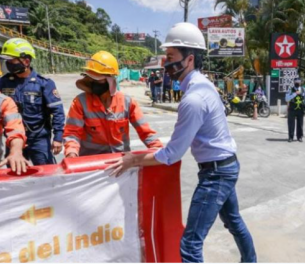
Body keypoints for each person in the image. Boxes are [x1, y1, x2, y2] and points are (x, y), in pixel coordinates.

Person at [107, 22, 256, 263]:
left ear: (189, 59)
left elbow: (172, 154)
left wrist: (133, 159)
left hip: (216, 173)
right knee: (233, 221)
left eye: (171, 57)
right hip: (226, 166)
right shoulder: (203, 85)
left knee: (190, 244)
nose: (166, 63)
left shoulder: (194, 99)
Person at [63, 51, 163, 158]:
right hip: (91, 163)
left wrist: (160, 152)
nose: (93, 83)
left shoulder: (127, 102)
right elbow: (72, 133)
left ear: (110, 80)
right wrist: (71, 154)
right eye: (91, 79)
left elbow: (146, 132)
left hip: (121, 162)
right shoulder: (80, 102)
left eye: (98, 80)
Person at [0, 38, 65, 165]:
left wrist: (58, 137)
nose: (8, 64)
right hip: (14, 139)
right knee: (15, 173)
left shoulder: (44, 83)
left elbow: (57, 112)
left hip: (39, 138)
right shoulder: (4, 82)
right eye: (7, 61)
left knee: (46, 174)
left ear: (26, 61)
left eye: (11, 60)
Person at [285, 78, 305, 143]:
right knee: (291, 124)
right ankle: (290, 137)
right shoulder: (290, 89)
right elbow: (287, 99)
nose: (297, 83)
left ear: (300, 82)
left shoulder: (304, 89)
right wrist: (295, 94)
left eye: (298, 82)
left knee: (300, 123)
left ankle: (299, 137)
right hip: (292, 108)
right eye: (296, 81)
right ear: (294, 82)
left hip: (300, 108)